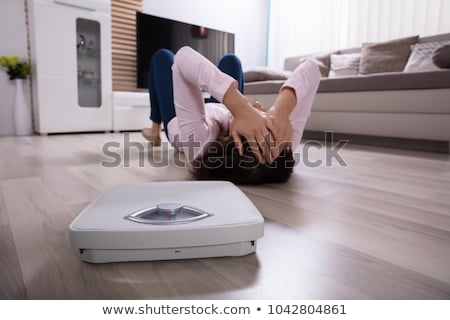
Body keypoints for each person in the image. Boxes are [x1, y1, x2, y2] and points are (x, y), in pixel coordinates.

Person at [142, 46, 320, 184]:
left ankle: (155, 128)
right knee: (231, 61)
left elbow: (182, 58)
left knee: (163, 57)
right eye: (264, 118)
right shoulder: (284, 141)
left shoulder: (199, 143)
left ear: (228, 136)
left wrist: (242, 108)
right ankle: (231, 106)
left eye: (259, 118)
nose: (259, 107)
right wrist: (281, 111)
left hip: (180, 121)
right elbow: (312, 68)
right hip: (221, 109)